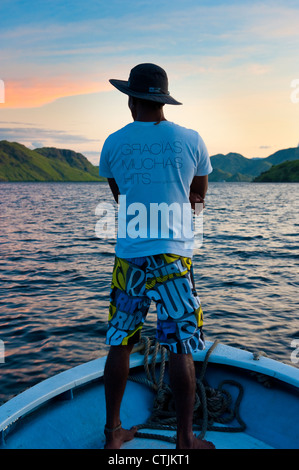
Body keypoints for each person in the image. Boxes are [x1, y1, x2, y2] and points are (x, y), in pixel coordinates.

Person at [99, 63, 215, 450]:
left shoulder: (113, 142)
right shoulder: (191, 139)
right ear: (162, 99)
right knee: (180, 346)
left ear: (132, 99)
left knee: (121, 342)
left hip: (130, 256)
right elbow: (198, 195)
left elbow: (121, 197)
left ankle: (113, 433)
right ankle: (184, 439)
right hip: (173, 258)